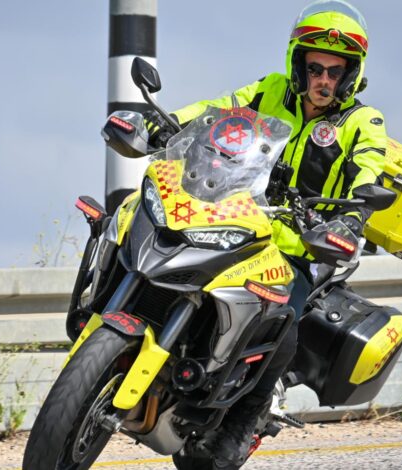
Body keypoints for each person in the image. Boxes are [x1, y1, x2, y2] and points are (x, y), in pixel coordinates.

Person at [144, 1, 387, 467]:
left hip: (301, 248)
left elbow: (369, 167)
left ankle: (241, 422)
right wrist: (166, 123)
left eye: (334, 71)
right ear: (298, 64)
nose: (323, 80)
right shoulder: (270, 89)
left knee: (281, 321)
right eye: (314, 68)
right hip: (236, 218)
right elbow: (218, 110)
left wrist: (352, 218)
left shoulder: (363, 121)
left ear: (350, 75)